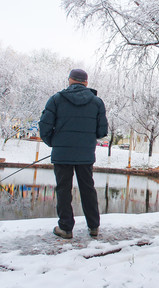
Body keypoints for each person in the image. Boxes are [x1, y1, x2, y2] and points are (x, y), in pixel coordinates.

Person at [39, 68, 108, 239]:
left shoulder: (56, 99)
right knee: (88, 189)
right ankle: (93, 226)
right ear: (86, 82)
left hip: (62, 154)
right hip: (85, 155)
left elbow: (44, 126)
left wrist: (54, 143)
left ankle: (66, 228)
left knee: (63, 189)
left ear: (70, 80)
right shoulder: (97, 102)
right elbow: (102, 131)